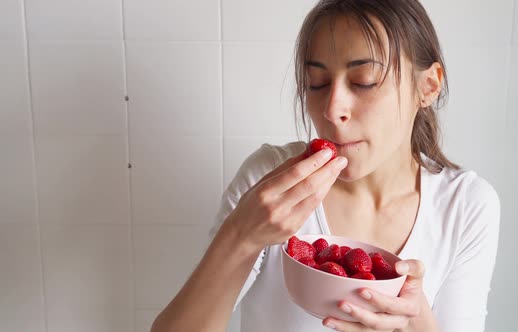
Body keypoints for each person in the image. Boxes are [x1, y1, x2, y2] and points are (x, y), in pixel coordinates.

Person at [151, 0, 500, 331]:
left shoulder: (467, 205)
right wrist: (241, 236)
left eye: (363, 80)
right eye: (316, 84)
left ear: (428, 85)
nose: (333, 109)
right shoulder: (270, 180)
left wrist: (414, 320)